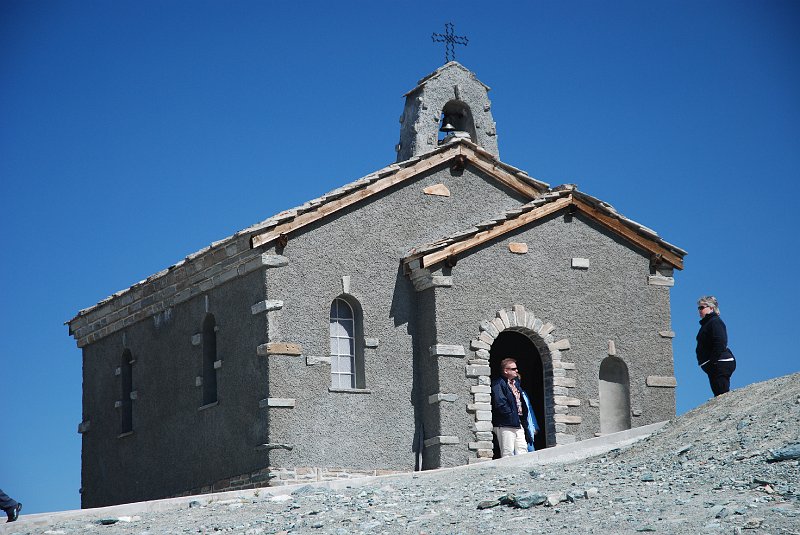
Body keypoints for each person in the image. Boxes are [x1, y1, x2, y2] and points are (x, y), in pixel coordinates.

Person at [491, 357, 535, 457]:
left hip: (517, 422)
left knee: (523, 450)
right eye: (513, 369)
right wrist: (511, 414)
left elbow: (521, 402)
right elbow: (500, 403)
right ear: (506, 371)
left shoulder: (516, 384)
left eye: (516, 368)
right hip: (505, 423)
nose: (517, 370)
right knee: (508, 453)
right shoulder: (498, 384)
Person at [696, 296, 736, 396]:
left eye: (702, 307)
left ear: (711, 308)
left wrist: (712, 362)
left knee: (722, 395)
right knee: (718, 394)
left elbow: (720, 342)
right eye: (698, 308)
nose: (699, 310)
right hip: (715, 365)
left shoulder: (715, 321)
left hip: (720, 363)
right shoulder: (708, 323)